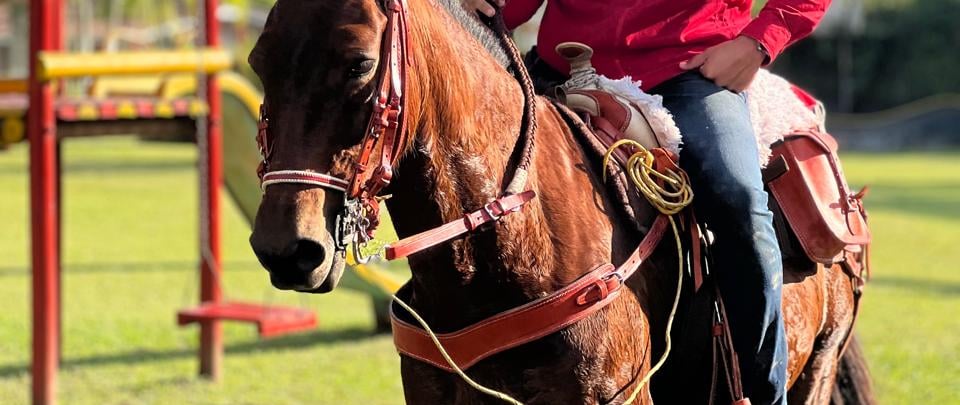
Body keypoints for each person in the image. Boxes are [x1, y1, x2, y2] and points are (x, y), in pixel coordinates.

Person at [464, 0, 831, 404]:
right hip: (563, 66)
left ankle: (763, 395)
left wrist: (760, 41)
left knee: (737, 201)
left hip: (690, 68)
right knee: (463, 178)